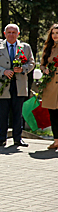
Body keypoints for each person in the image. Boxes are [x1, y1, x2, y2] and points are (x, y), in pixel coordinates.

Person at [0, 24, 35, 148]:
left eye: (14, 32)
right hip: (2, 85)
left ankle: (18, 139)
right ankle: (2, 138)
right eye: (9, 32)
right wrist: (3, 71)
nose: (11, 34)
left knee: (17, 114)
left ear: (18, 34)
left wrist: (23, 68)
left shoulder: (25, 47)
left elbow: (32, 63)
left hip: (19, 85)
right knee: (2, 114)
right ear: (4, 33)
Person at [40, 22, 58, 151]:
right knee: (53, 114)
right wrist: (44, 69)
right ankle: (56, 140)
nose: (55, 35)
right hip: (51, 86)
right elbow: (42, 64)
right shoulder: (48, 48)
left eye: (57, 33)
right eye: (53, 33)